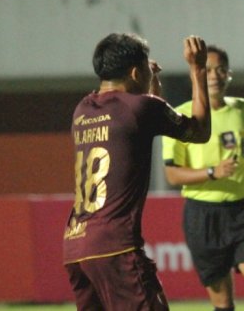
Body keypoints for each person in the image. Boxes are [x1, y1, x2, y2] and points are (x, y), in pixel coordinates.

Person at [63, 33, 212, 310]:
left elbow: (141, 121)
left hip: (76, 247)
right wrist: (198, 68)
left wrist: (150, 85)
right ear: (134, 72)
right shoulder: (141, 107)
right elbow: (200, 131)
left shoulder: (82, 110)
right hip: (114, 246)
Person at [161, 45, 244, 311]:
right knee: (222, 301)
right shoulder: (179, 115)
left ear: (229, 74)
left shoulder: (243, 108)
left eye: (221, 69)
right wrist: (211, 173)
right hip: (203, 216)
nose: (215, 76)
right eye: (207, 70)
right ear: (197, 75)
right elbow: (172, 174)